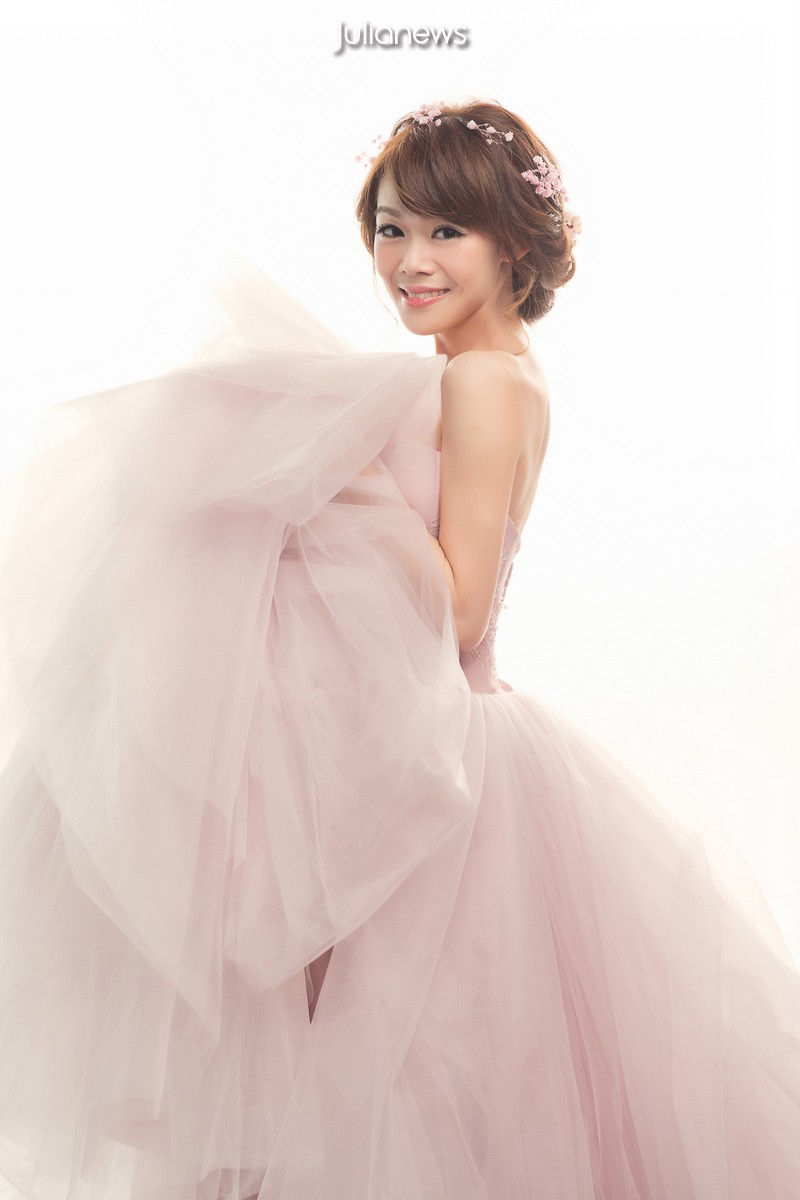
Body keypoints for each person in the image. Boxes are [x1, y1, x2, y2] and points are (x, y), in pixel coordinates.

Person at [0, 96, 798, 1200]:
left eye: (444, 231)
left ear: (511, 243)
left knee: (388, 1094)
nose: (409, 262)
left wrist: (346, 476)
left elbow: (461, 608)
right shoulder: (489, 370)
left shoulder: (480, 380)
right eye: (390, 229)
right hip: (415, 745)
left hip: (438, 766)